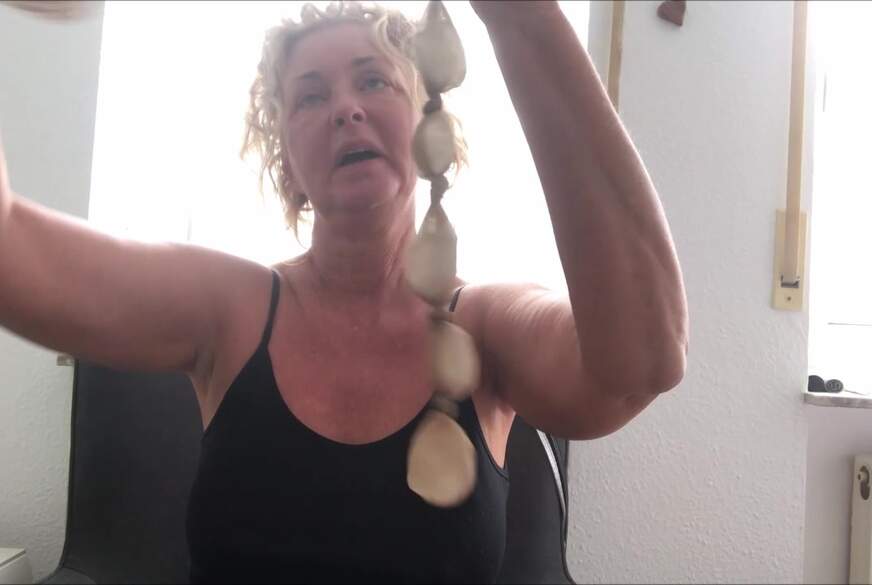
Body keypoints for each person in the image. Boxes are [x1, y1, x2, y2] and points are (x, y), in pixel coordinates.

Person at [0, 1, 689, 583]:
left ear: (429, 125)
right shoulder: (229, 308)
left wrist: (522, 16)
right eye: (310, 96)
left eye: (373, 81)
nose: (345, 110)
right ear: (288, 163)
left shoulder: (486, 322)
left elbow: (641, 363)